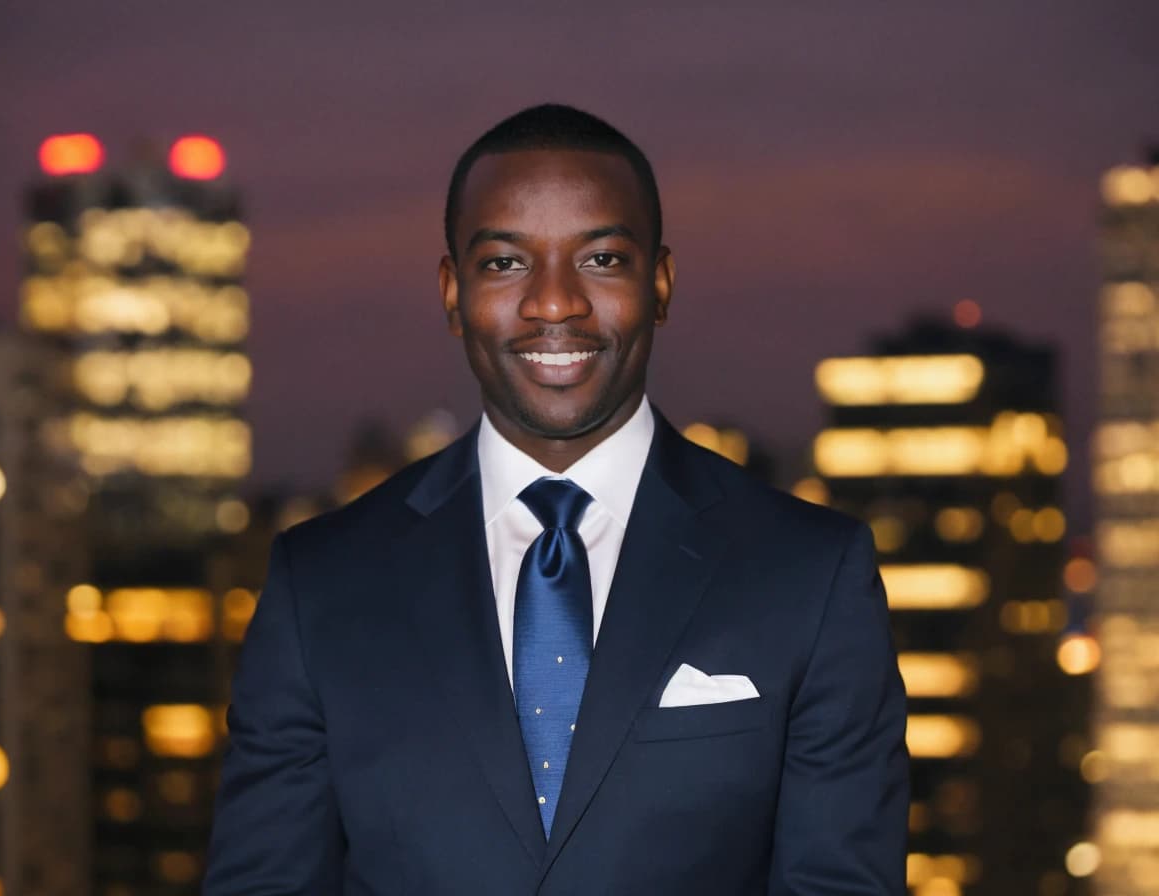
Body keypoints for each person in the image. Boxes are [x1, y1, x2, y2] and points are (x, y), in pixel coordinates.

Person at [205, 103, 908, 895]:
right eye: (505, 263)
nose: (553, 302)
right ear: (450, 291)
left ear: (662, 282)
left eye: (601, 259)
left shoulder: (812, 575)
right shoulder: (320, 583)